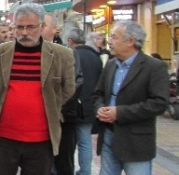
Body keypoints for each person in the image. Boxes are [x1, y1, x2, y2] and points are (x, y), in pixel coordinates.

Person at [0, 3, 75, 175]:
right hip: (4, 138)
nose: (24, 32)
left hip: (42, 140)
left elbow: (68, 89)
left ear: (41, 26)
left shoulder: (62, 55)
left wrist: (50, 105)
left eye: (30, 27)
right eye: (20, 27)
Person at [92, 20, 169, 175]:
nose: (110, 41)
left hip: (136, 142)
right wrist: (100, 108)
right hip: (108, 135)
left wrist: (119, 113)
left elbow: (159, 103)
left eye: (114, 37)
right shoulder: (111, 64)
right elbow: (98, 93)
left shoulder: (154, 67)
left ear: (130, 41)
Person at [42, 12, 80, 175]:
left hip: (63, 119)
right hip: (38, 123)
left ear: (54, 29)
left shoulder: (67, 53)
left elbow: (74, 86)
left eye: (43, 26)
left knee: (63, 164)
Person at [66, 28, 102, 175]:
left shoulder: (70, 55)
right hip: (90, 105)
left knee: (69, 142)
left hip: (73, 104)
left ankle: (69, 169)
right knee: (85, 141)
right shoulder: (96, 57)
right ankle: (85, 171)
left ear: (70, 41)